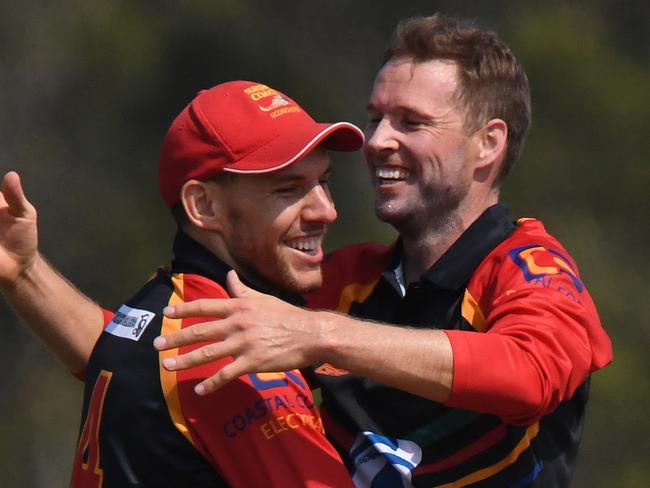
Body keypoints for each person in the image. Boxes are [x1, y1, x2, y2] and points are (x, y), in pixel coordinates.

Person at [1, 14, 613, 488]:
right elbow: (159, 360)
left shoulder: (529, 265)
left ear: (489, 145)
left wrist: (317, 335)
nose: (378, 142)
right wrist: (25, 276)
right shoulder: (350, 283)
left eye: (412, 122)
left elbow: (530, 374)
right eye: (376, 118)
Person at [0, 80, 364, 487]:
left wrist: (26, 272)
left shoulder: (153, 308)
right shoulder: (237, 362)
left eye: (323, 182)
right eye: (288, 189)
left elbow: (131, 361)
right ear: (203, 206)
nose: (326, 211)